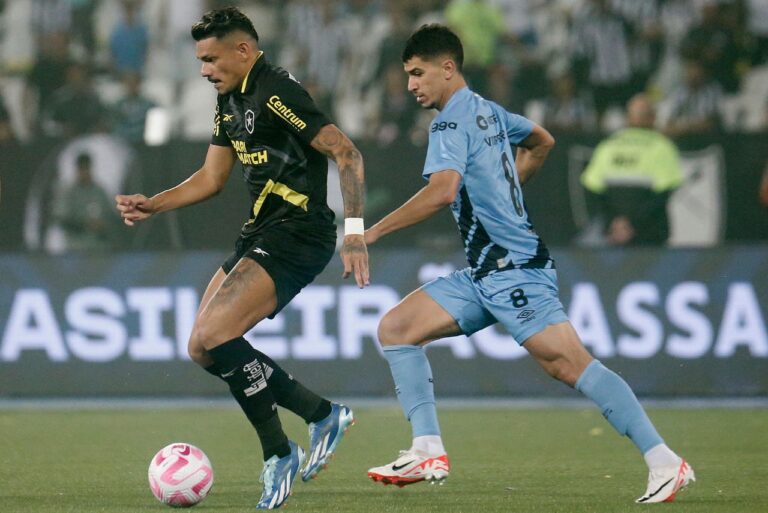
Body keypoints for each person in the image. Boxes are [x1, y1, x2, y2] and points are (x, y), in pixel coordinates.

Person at [364, 24, 694, 504]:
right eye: (409, 75)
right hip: (484, 272)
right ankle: (426, 448)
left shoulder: (450, 124)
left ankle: (665, 461)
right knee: (397, 328)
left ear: (448, 68)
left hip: (515, 268)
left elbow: (442, 192)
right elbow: (542, 141)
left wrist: (370, 232)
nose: (412, 84)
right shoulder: (489, 112)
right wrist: (509, 188)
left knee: (569, 365)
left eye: (418, 73)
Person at [115, 7, 368, 510]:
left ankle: (279, 453)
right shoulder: (228, 101)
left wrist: (355, 232)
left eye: (211, 58)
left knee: (215, 335)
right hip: (260, 232)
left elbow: (347, 153)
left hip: (299, 231)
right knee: (201, 347)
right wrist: (153, 204)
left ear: (244, 51)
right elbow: (211, 179)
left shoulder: (276, 91)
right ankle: (320, 413)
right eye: (200, 61)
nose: (205, 69)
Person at [580, 94, 684, 246]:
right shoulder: (662, 147)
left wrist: (615, 222)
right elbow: (663, 194)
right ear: (653, 118)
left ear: (627, 118)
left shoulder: (608, 146)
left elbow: (593, 190)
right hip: (650, 235)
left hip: (613, 234)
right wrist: (632, 224)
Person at [54, 152, 117, 251]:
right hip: (75, 249)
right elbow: (62, 220)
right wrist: (85, 224)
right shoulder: (69, 192)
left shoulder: (99, 191)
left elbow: (111, 216)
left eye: (86, 168)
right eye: (81, 169)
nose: (84, 172)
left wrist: (103, 225)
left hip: (99, 250)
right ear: (77, 170)